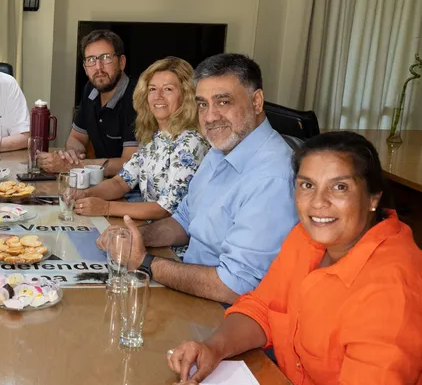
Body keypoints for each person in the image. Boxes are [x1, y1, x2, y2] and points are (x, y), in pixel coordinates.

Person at [164, 131, 422, 385]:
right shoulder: (308, 238)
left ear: (373, 198)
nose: (318, 203)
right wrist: (214, 348)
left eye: (339, 187)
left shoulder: (393, 283)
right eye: (306, 185)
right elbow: (263, 307)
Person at [97, 53, 297, 304]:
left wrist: (145, 262)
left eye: (223, 102)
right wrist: (135, 238)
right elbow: (182, 221)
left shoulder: (273, 177)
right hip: (191, 286)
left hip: (222, 310)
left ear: (256, 102)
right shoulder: (219, 150)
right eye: (203, 104)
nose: (210, 117)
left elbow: (234, 286)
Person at [74, 57, 208, 220]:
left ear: (186, 95)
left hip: (172, 241)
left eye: (168, 89)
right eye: (152, 89)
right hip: (147, 227)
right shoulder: (154, 137)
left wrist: (106, 207)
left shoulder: (191, 142)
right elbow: (121, 182)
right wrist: (84, 194)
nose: (158, 96)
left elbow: (166, 209)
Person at [38, 29, 138, 178]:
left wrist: (74, 166)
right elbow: (77, 138)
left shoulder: (137, 98)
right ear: (85, 68)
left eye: (105, 58)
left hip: (132, 191)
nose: (98, 67)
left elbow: (129, 164)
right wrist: (72, 154)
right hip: (100, 181)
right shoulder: (90, 89)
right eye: (91, 60)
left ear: (122, 62)